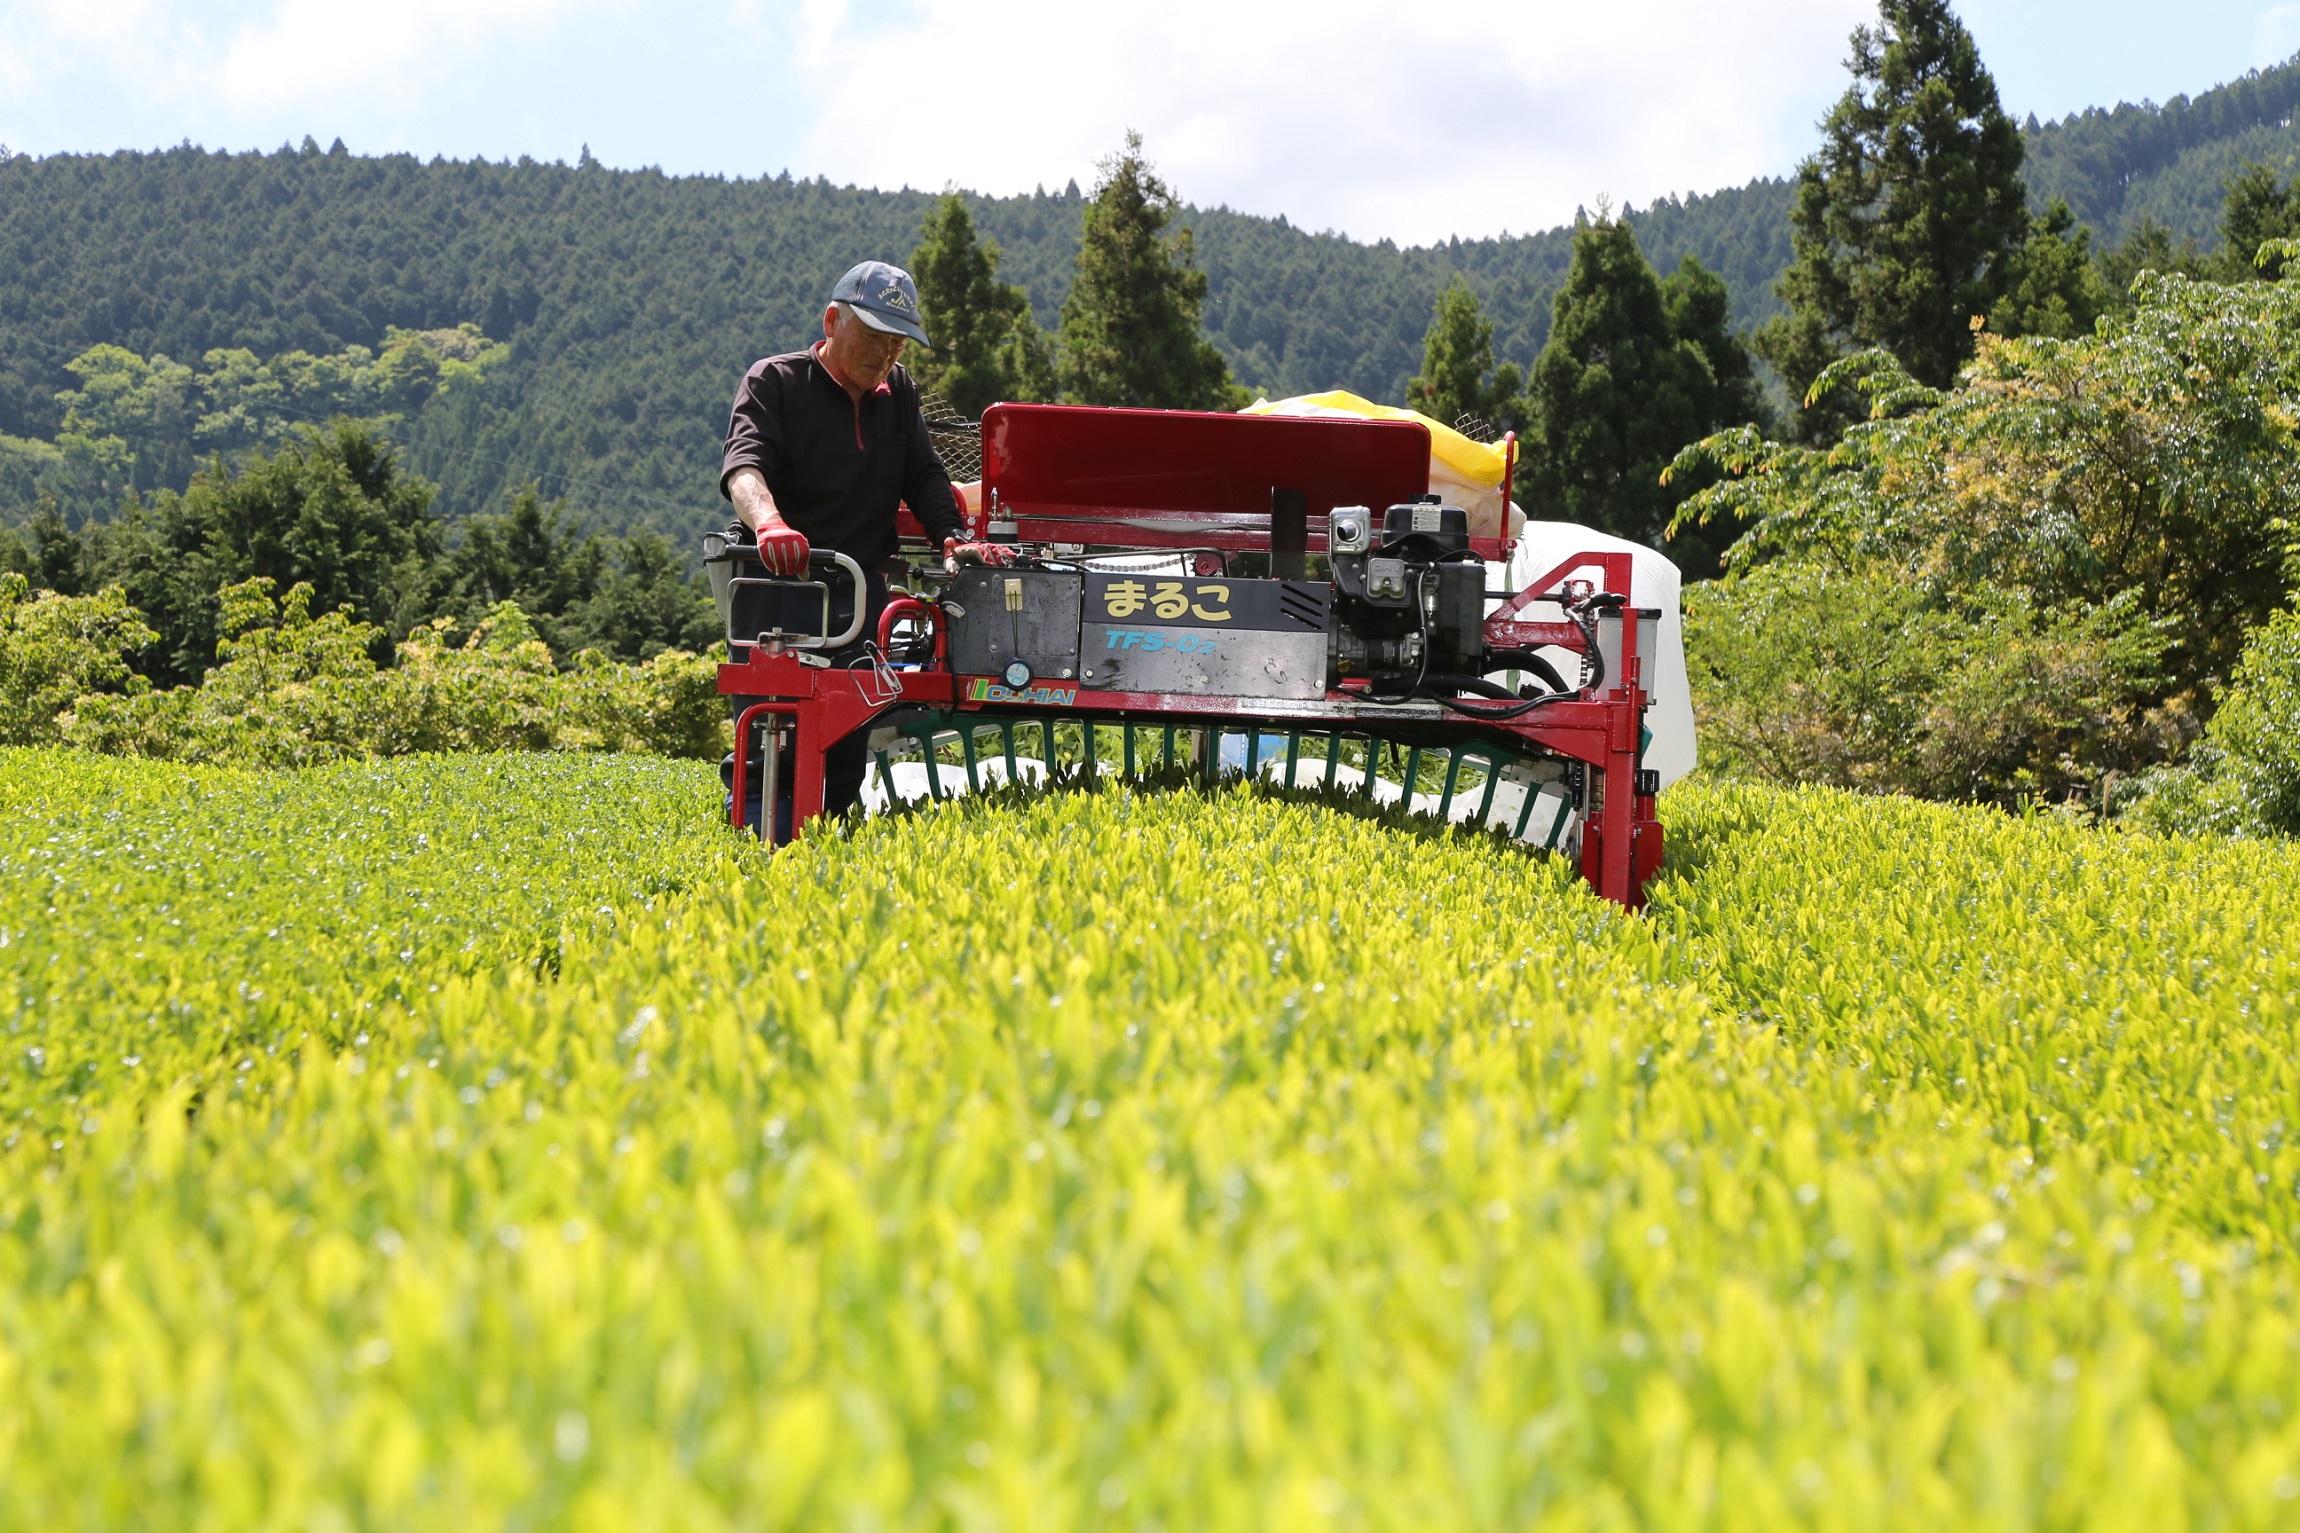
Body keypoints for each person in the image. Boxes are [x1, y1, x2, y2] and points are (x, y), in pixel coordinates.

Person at [718, 259, 1008, 825]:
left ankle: (829, 838)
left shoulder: (896, 392)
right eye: (873, 338)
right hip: (778, 586)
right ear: (832, 321)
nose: (884, 356)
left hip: (857, 592)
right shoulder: (774, 382)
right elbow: (744, 469)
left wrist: (952, 538)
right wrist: (771, 525)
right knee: (767, 729)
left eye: (897, 345)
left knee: (847, 738)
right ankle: (756, 839)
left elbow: (924, 477)